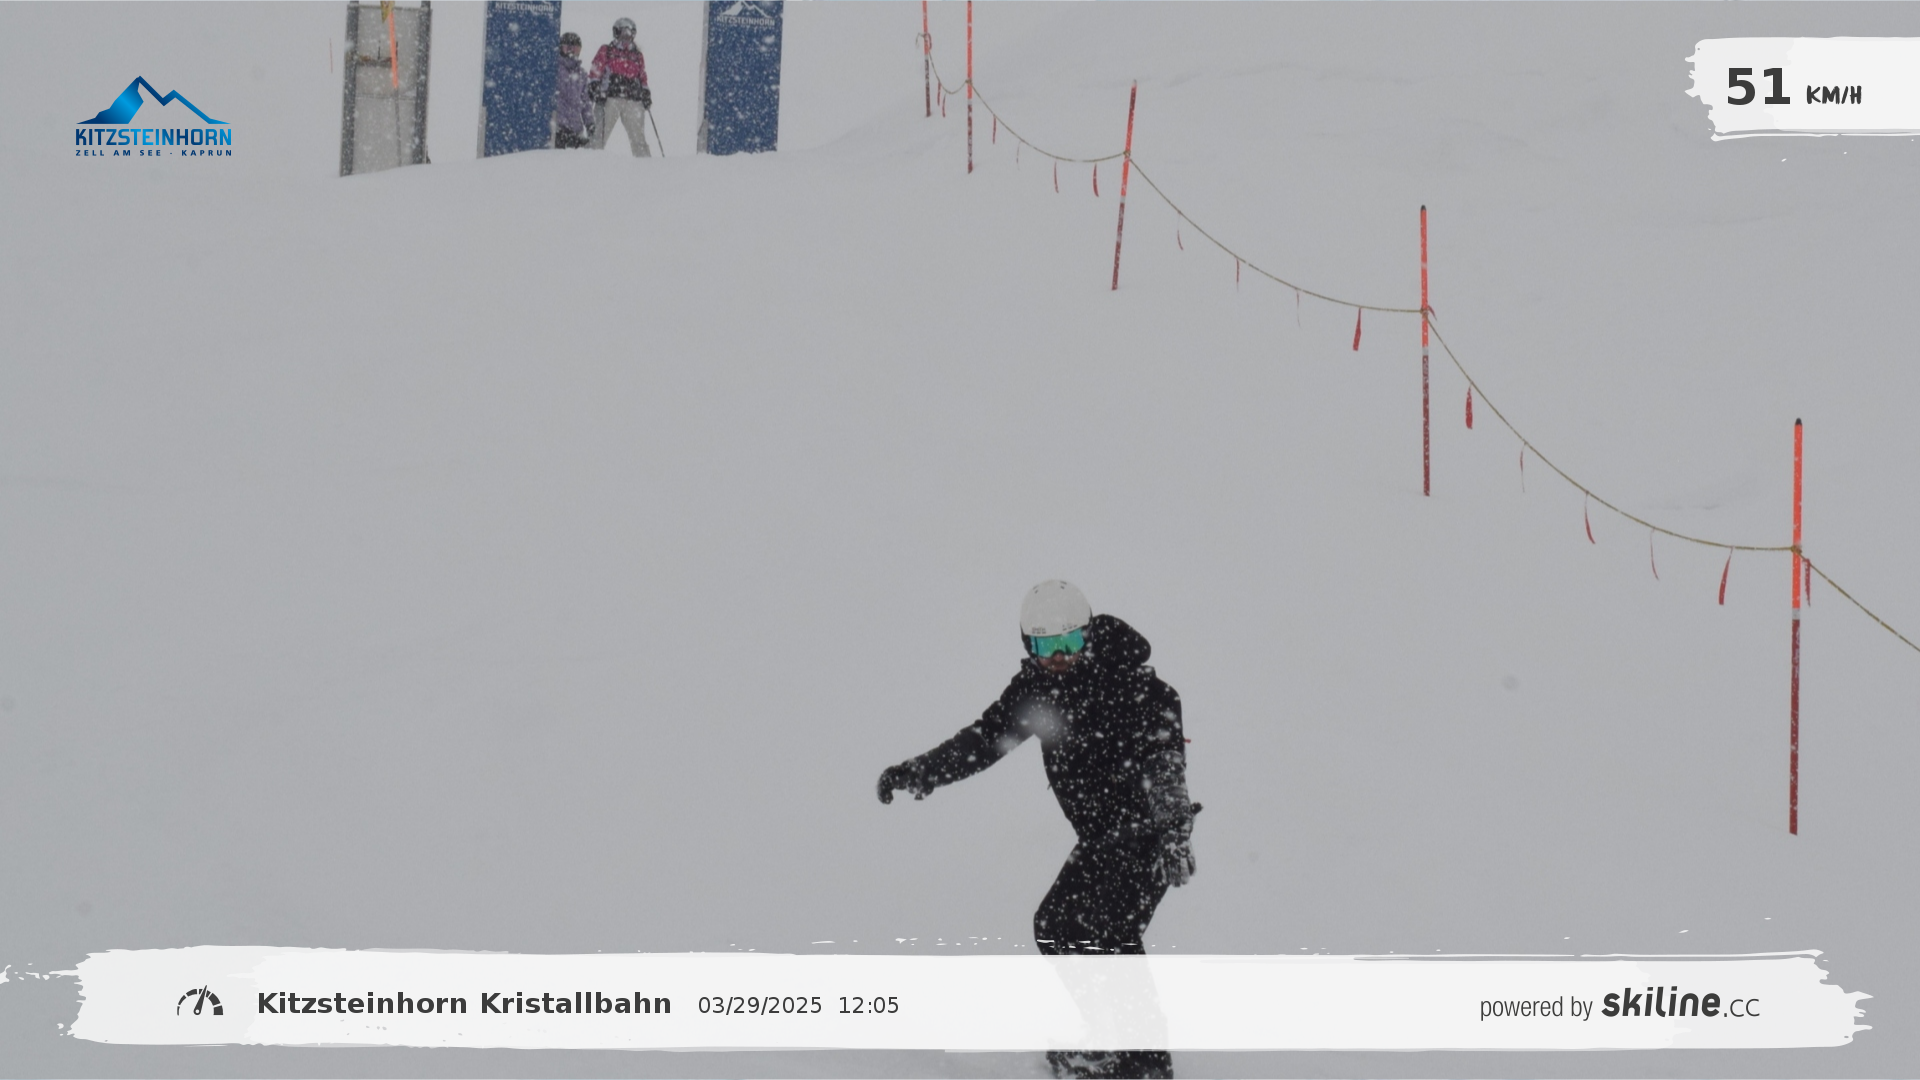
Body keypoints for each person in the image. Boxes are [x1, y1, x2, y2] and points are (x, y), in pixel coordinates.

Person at [877, 581, 1198, 1080]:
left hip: (1146, 835)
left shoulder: (1136, 687)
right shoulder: (1036, 691)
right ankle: (1112, 1039)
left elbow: (1164, 764)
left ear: (1089, 633)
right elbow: (984, 740)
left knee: (1110, 934)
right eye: (1048, 646)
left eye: (1071, 641)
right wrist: (920, 772)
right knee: (1055, 927)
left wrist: (1174, 832)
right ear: (1029, 646)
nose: (1061, 657)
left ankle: (1145, 1061)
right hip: (1100, 839)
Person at [588, 17, 652, 157]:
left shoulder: (637, 55)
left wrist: (645, 92)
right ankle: (591, 161)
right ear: (616, 33)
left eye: (630, 33)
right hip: (610, 98)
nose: (626, 37)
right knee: (599, 135)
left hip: (632, 99)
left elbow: (642, 75)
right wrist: (595, 86)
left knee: (638, 138)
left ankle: (645, 164)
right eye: (623, 32)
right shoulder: (607, 50)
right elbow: (596, 69)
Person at [552, 32, 591, 149]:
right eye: (567, 48)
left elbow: (586, 101)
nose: (571, 52)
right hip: (558, 129)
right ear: (561, 48)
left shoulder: (582, 74)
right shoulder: (555, 69)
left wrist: (589, 122)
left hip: (575, 130)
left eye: (575, 49)